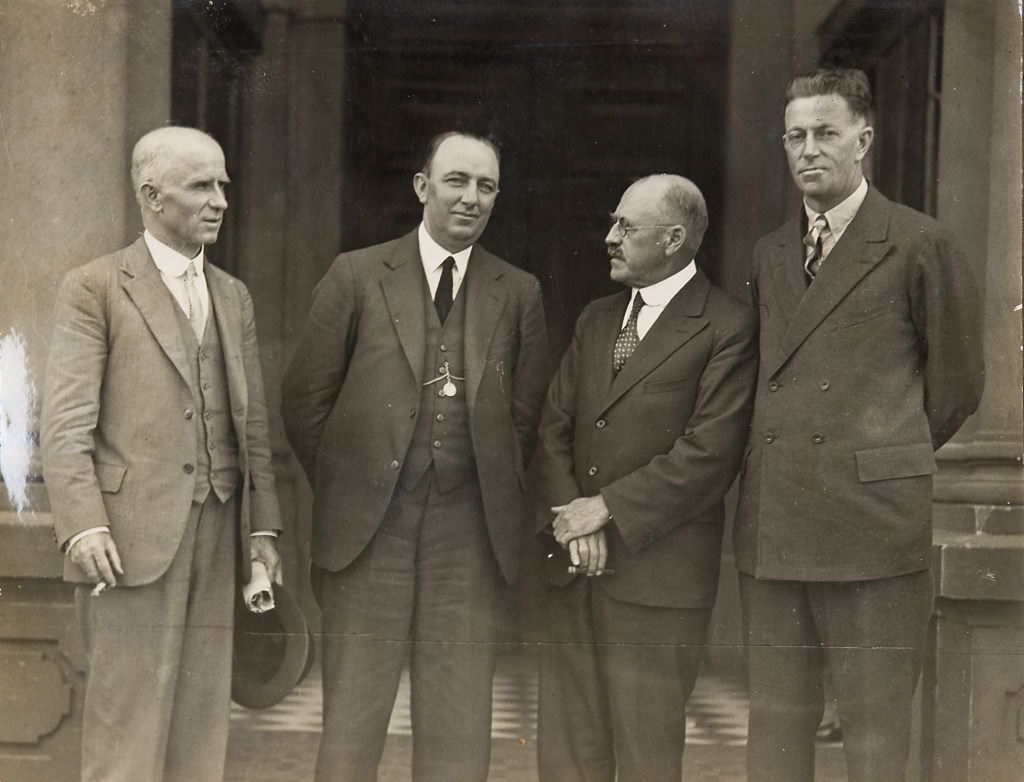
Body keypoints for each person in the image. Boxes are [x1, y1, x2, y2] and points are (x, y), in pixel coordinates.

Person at [734, 68, 984, 782]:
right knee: (776, 735)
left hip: (871, 525)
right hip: (777, 524)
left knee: (875, 740)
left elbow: (958, 386)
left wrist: (880, 453)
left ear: (863, 140)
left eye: (826, 133)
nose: (809, 149)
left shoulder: (919, 243)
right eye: (795, 136)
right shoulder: (771, 252)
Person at [281, 131, 548, 781]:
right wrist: (360, 487)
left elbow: (526, 419)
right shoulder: (358, 274)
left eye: (486, 186)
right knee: (352, 724)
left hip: (470, 539)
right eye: (457, 180)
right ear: (423, 187)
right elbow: (304, 403)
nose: (471, 197)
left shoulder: (517, 292)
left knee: (460, 729)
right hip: (369, 537)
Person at [40, 126, 283, 782]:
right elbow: (63, 427)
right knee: (126, 735)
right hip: (126, 540)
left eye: (224, 185)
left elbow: (250, 425)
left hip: (219, 530)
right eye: (201, 185)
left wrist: (261, 530)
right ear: (152, 195)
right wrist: (83, 524)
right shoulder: (94, 288)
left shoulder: (232, 295)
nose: (221, 201)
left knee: (201, 734)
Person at [534, 174, 757, 782]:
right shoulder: (595, 319)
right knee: (565, 760)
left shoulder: (727, 326)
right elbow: (552, 426)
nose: (609, 237)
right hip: (575, 571)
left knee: (645, 761)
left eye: (626, 227)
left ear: (675, 238)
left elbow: (709, 454)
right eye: (613, 222)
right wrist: (572, 523)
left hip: (658, 585)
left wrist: (603, 509)